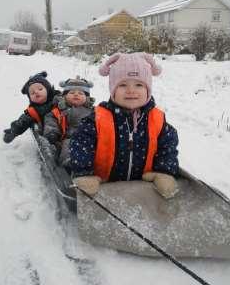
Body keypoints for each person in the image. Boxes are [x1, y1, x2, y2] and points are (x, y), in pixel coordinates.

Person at [70, 52, 179, 199]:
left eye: (139, 84)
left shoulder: (157, 119)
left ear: (148, 89)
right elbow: (81, 143)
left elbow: (168, 148)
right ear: (113, 89)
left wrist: (164, 172)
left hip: (143, 189)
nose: (131, 90)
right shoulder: (98, 118)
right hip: (104, 187)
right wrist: (83, 173)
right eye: (122, 84)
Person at [43, 76, 94, 170]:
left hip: (90, 139)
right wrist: (52, 132)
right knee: (69, 145)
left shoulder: (93, 112)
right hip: (70, 138)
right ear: (64, 96)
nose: (76, 95)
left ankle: (96, 168)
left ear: (87, 98)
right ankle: (69, 165)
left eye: (80, 93)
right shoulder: (59, 110)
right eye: (72, 92)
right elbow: (51, 121)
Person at [3, 71, 59, 143]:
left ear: (48, 89)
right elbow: (22, 122)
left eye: (40, 89)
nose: (36, 92)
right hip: (50, 136)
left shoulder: (59, 99)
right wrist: (13, 132)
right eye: (32, 93)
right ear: (30, 98)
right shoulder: (33, 111)